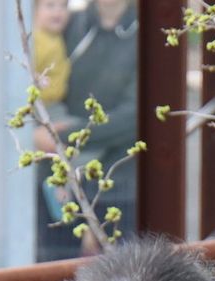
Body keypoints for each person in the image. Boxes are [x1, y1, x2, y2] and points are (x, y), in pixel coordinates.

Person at [34, 0, 138, 261]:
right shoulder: (67, 22)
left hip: (119, 178)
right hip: (57, 178)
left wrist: (64, 137)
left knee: (124, 275)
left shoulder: (144, 34)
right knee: (52, 273)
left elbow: (135, 114)